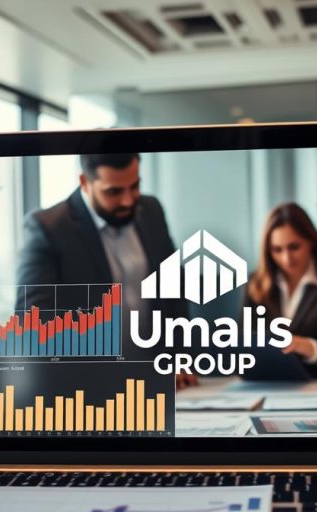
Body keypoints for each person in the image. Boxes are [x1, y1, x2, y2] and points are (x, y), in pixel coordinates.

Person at [15, 153, 195, 388]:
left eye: (134, 186)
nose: (128, 201)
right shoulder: (49, 229)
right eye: (114, 192)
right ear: (84, 182)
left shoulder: (151, 210)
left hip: (156, 380)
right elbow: (33, 322)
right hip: (88, 387)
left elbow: (173, 293)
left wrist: (179, 357)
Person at [244, 202, 317, 377]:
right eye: (277, 250)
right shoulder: (256, 283)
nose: (287, 259)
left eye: (294, 247)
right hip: (265, 381)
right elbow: (242, 341)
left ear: (311, 241)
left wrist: (302, 345)